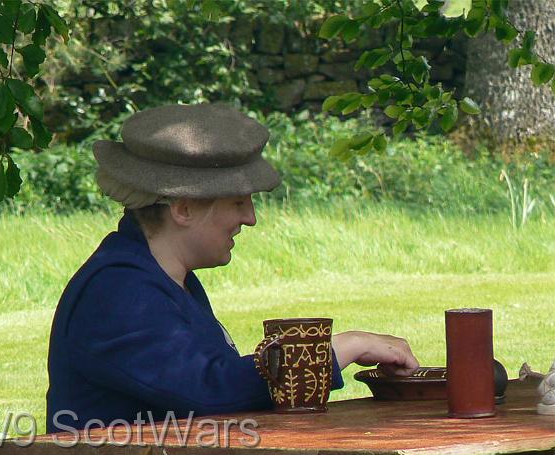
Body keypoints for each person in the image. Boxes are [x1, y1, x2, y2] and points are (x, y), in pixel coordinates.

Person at [46, 103, 419, 434]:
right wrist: (341, 347)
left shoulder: (161, 279)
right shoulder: (118, 292)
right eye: (239, 201)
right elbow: (208, 390)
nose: (251, 218)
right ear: (184, 208)